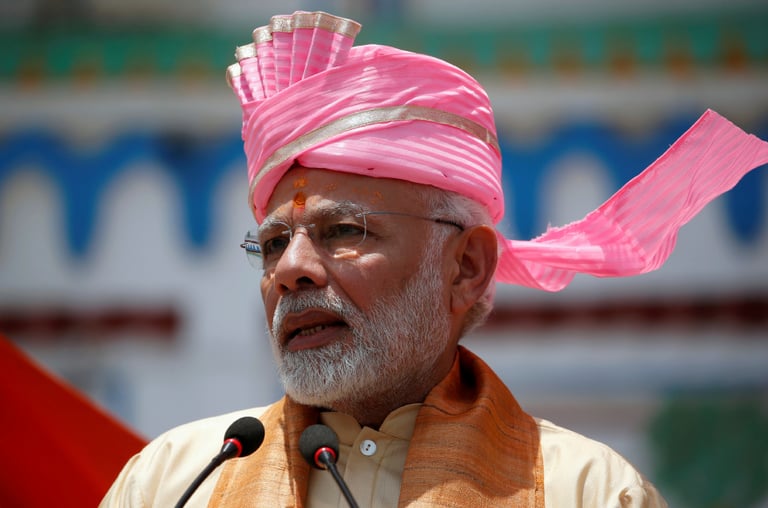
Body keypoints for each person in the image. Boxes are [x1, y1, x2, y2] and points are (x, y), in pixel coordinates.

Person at [101, 11, 768, 508]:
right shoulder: (174, 484)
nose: (290, 269)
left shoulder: (584, 493)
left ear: (466, 267)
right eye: (273, 243)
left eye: (343, 231)